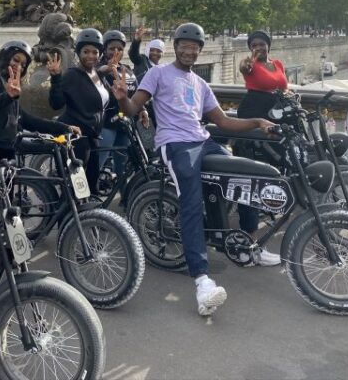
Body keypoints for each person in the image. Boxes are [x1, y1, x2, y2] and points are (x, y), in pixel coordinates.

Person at [111, 23, 275, 317]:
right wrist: (122, 98)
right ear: (176, 47)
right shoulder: (158, 73)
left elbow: (223, 122)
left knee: (244, 176)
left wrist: (257, 122)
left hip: (203, 141)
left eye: (195, 47)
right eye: (185, 46)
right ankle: (202, 281)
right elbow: (132, 109)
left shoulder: (200, 83)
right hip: (175, 144)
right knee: (191, 199)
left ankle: (249, 246)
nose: (189, 51)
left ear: (200, 51)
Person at [0, 40, 80, 222]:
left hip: (4, 150)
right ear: (5, 57)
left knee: (5, 207)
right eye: (15, 60)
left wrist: (63, 128)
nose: (18, 66)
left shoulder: (10, 85)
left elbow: (25, 119)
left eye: (23, 65)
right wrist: (8, 95)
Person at [232, 30, 287, 263]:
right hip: (253, 119)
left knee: (275, 169)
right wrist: (251, 60)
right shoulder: (249, 64)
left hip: (275, 119)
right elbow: (244, 68)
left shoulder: (277, 64)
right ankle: (249, 243)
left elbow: (281, 87)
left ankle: (269, 207)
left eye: (262, 44)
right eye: (254, 45)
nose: (258, 47)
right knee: (252, 178)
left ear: (269, 45)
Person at [47, 28, 112, 195]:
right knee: (76, 189)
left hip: (92, 137)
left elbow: (102, 101)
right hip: (76, 138)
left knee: (91, 185)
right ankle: (65, 212)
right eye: (86, 51)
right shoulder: (72, 75)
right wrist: (55, 78)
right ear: (78, 53)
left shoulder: (96, 74)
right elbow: (56, 103)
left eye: (95, 52)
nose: (91, 56)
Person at [96, 30, 148, 182]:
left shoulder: (127, 70)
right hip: (107, 124)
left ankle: (124, 192)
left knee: (122, 166)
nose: (116, 51)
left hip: (125, 124)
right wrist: (107, 69)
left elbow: (135, 94)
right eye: (111, 48)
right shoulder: (99, 68)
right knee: (97, 163)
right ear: (104, 49)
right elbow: (96, 74)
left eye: (119, 48)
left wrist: (142, 109)